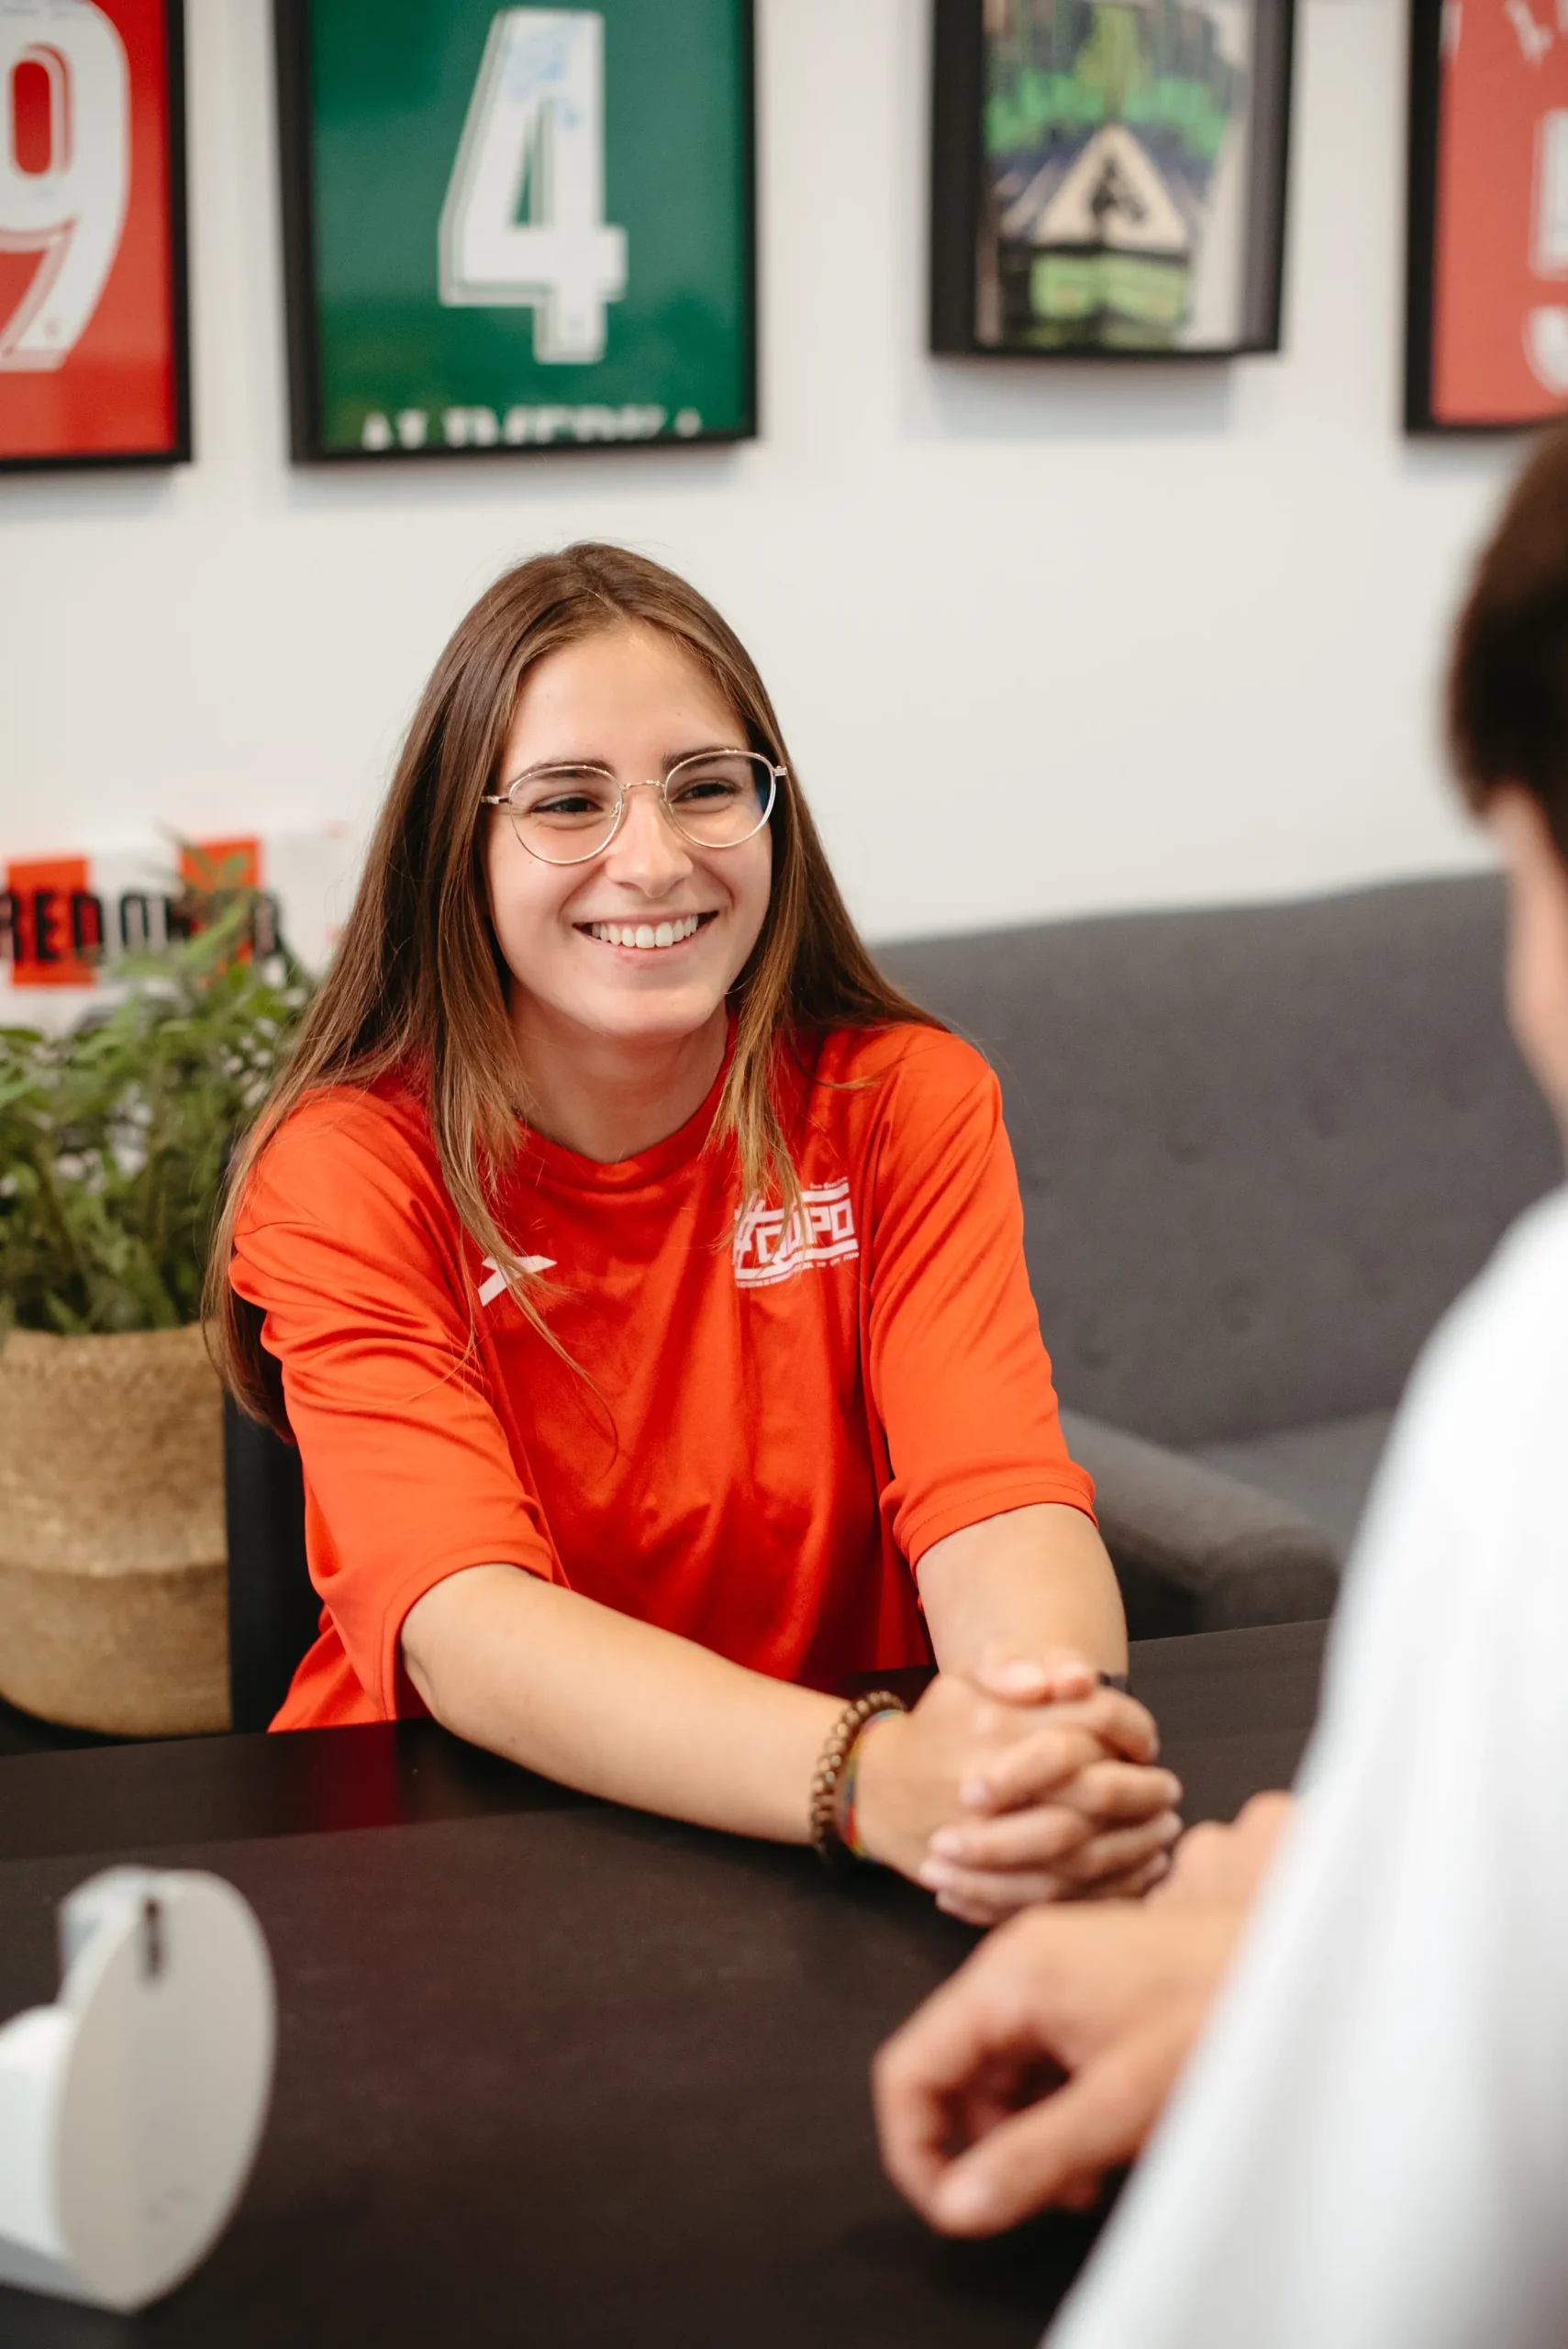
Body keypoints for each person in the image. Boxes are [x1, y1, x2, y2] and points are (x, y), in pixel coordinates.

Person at [873, 421, 1568, 2346]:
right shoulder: (360, 1152)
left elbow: (1374, 2266)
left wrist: (1015, 1738)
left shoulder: (1537, 1390)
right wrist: (1337, 1929)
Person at [209, 544, 1182, 1912]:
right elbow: (466, 1627)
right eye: (567, 802)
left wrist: (1036, 1748)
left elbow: (995, 1497)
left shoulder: (903, 1103)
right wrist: (872, 1775)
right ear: (459, 848)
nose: (653, 860)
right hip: (449, 1851)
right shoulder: (348, 1168)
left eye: (706, 788)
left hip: (846, 1844)